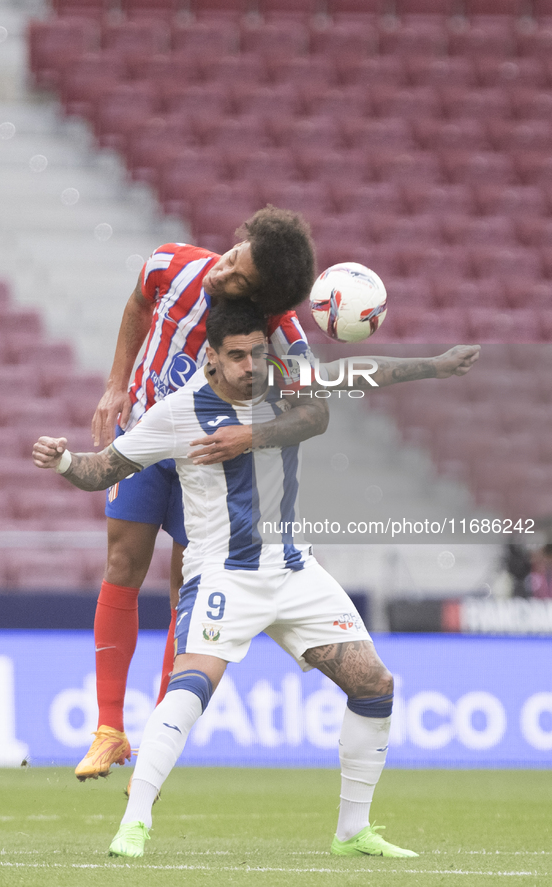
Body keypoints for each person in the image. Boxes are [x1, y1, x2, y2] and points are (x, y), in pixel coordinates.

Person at [33, 300, 480, 860]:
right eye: (238, 355)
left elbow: (363, 373)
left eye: (258, 353)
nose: (251, 366)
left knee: (375, 685)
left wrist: (435, 366)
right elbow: (106, 469)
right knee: (190, 688)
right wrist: (63, 460)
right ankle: (134, 822)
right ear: (212, 358)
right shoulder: (177, 413)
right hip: (225, 574)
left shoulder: (282, 390)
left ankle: (352, 832)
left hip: (296, 572)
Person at [77, 206, 324, 781]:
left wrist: (253, 434)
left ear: (265, 302)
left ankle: (158, 735)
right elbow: (139, 302)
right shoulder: (175, 263)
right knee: (121, 564)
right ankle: (108, 730)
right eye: (235, 256)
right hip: (142, 436)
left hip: (209, 468)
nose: (226, 273)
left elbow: (314, 413)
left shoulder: (283, 335)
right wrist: (116, 385)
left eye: (242, 279)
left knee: (185, 590)